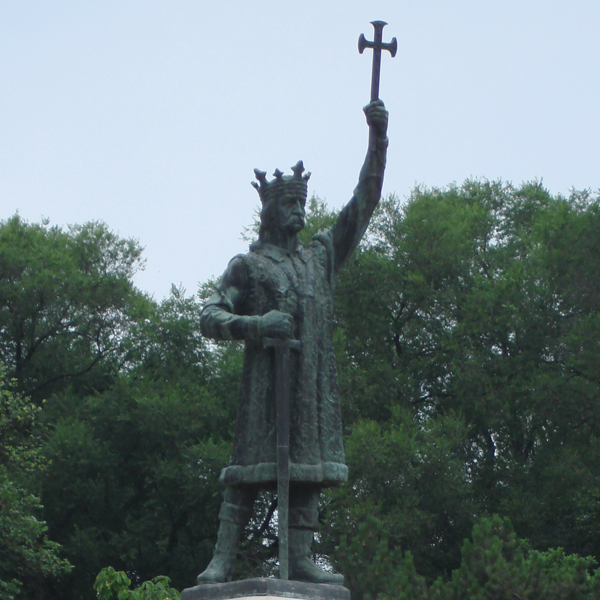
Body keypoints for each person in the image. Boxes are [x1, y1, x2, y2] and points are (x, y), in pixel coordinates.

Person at [198, 99, 389, 585]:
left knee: (305, 469)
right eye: (289, 204)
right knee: (246, 468)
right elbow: (210, 316)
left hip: (309, 387)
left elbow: (363, 204)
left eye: (302, 203)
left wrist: (377, 142)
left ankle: (300, 555)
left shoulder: (320, 257)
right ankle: (222, 558)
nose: (299, 211)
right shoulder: (249, 265)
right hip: (264, 388)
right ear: (269, 210)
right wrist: (257, 324)